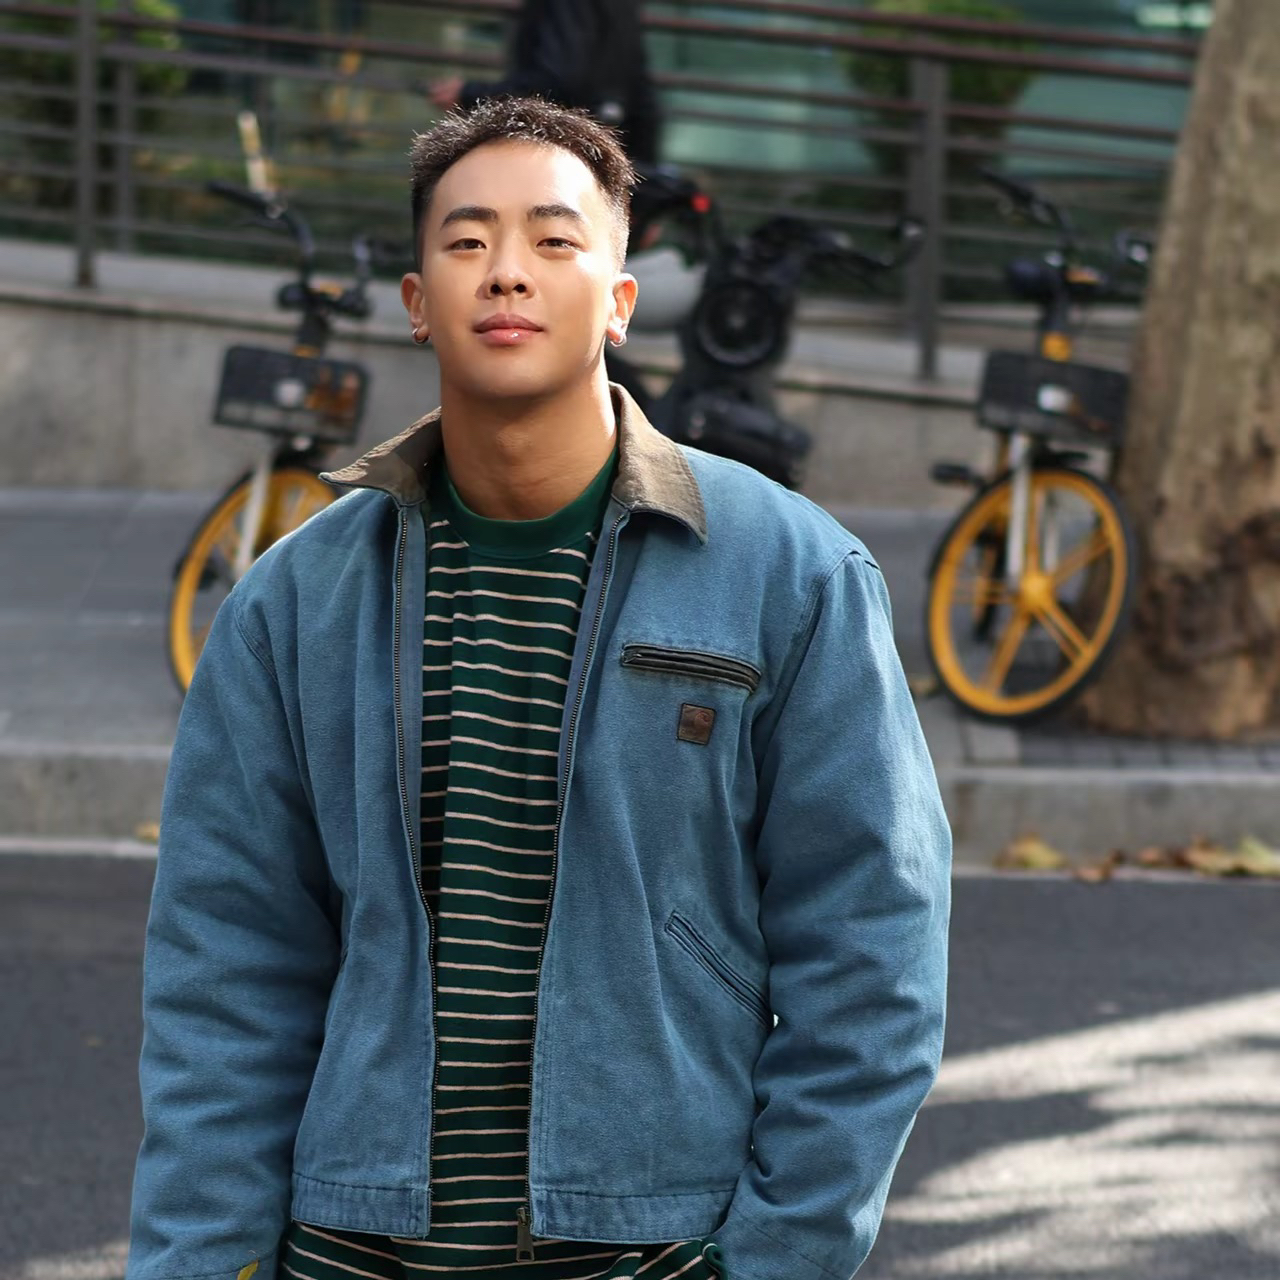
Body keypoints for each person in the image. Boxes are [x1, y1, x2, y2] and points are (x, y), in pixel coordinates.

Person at [125, 98, 951, 1280]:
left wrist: (774, 1256)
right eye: (466, 241)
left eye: (553, 240)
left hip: (652, 1243)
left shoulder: (791, 574)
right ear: (416, 301)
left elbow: (872, 956)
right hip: (350, 1243)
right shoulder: (293, 603)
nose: (505, 271)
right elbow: (223, 972)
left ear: (619, 299)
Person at [430, 0, 661, 163]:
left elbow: (555, 82)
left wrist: (470, 94)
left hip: (558, 152)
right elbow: (641, 92)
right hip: (607, 153)